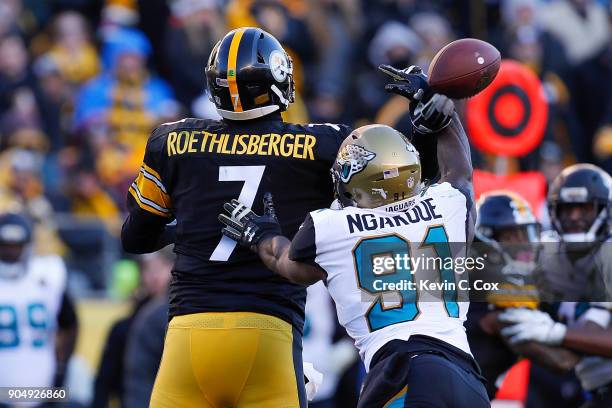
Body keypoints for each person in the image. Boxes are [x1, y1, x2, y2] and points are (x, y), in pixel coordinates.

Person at [219, 69, 489, 406]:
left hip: (403, 370)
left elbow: (287, 264)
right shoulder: (446, 205)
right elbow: (461, 174)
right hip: (467, 378)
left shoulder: (331, 226)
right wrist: (440, 112)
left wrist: (258, 233)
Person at [121, 27, 357, 407]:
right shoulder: (324, 145)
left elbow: (135, 238)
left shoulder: (171, 141)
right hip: (268, 334)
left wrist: (185, 227)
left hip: (187, 335)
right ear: (278, 78)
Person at [466, 191, 579, 399]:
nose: (523, 244)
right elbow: (562, 362)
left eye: (525, 233)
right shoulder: (491, 296)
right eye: (510, 236)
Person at [0, 212, 78, 389]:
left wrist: (61, 368)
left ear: (27, 247)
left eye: (16, 246)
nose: (10, 252)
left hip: (41, 386)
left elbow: (70, 324)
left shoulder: (47, 277)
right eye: (4, 246)